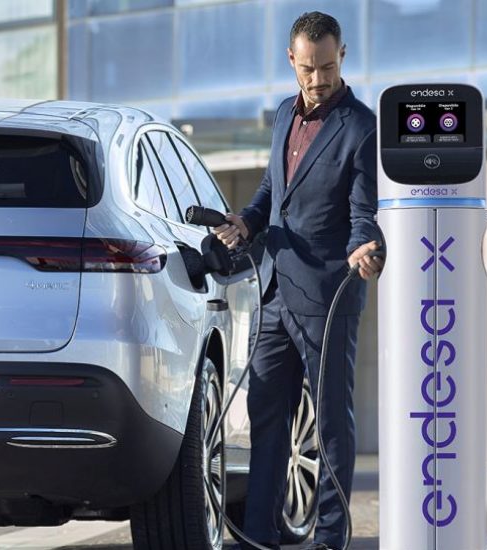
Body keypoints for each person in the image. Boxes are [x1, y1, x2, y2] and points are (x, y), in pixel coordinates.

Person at [213, 11, 382, 550]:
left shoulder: (362, 127)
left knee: (330, 423)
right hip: (274, 291)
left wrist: (365, 246)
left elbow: (363, 210)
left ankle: (330, 537)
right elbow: (273, 190)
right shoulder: (284, 113)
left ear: (342, 56)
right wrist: (246, 221)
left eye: (327, 67)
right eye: (308, 68)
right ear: (291, 60)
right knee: (267, 418)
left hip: (328, 295)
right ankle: (260, 535)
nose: (318, 78)